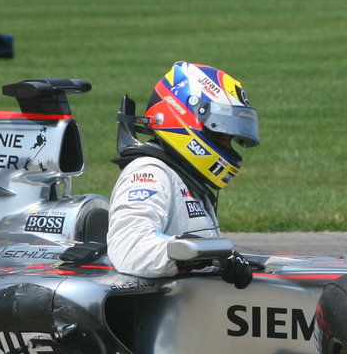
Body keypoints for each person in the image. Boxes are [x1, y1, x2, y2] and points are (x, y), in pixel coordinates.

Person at [106, 61, 260, 287]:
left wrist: (210, 256)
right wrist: (199, 254)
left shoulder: (185, 178)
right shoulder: (150, 172)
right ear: (182, 118)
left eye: (230, 137)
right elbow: (130, 248)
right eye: (220, 133)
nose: (227, 145)